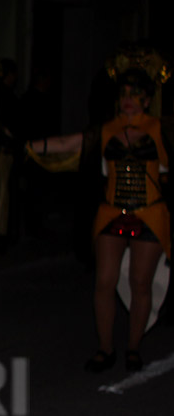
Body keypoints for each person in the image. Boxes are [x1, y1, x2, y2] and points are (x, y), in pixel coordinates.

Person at [34, 53, 171, 372]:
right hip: (111, 212)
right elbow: (69, 143)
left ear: (149, 99)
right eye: (124, 95)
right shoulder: (105, 130)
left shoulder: (162, 130)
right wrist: (30, 147)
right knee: (104, 281)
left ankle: (134, 347)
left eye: (136, 95)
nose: (128, 101)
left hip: (150, 213)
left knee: (140, 282)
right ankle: (105, 348)